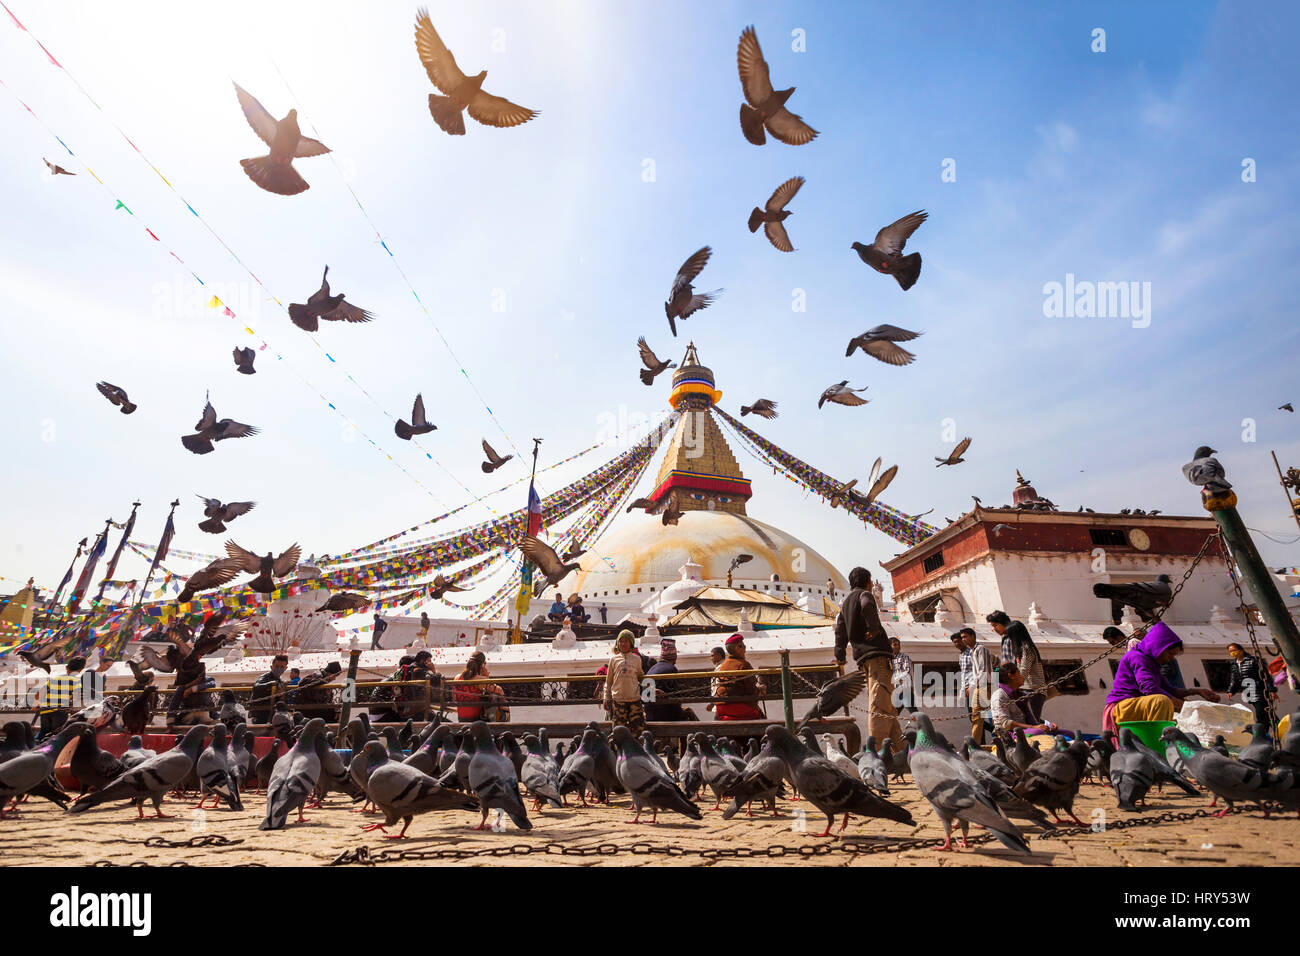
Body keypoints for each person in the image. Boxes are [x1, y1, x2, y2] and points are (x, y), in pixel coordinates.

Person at [1103, 621, 1220, 733]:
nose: (1171, 658)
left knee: (1176, 703)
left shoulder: (1152, 663)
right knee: (1162, 701)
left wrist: (1198, 692)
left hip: (1138, 705)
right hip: (1121, 707)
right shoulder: (1137, 657)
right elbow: (1150, 689)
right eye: (1170, 654)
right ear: (1157, 647)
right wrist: (1186, 707)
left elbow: (1171, 690)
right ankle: (1154, 741)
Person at [833, 566, 903, 746]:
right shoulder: (864, 595)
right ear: (867, 581)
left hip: (864, 659)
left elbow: (840, 630)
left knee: (886, 706)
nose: (872, 584)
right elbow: (866, 605)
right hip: (877, 657)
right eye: (871, 580)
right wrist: (873, 628)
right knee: (879, 705)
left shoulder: (846, 603)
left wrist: (839, 655)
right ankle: (877, 752)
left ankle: (901, 753)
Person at [987, 610, 1049, 723]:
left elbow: (1022, 671)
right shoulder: (1020, 649)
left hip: (1032, 689)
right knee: (1027, 721)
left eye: (995, 625)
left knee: (1032, 722)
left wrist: (1010, 685)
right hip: (1023, 689)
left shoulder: (1027, 649)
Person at [990, 662, 1060, 736]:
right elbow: (1006, 723)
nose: (1021, 676)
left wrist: (1047, 726)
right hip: (1009, 734)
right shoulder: (999, 695)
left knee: (1067, 733)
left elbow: (1033, 721)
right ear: (1011, 676)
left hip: (1027, 729)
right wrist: (1033, 727)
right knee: (1038, 732)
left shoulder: (1022, 695)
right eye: (1019, 673)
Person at [714, 633, 766, 721]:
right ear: (737, 648)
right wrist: (760, 690)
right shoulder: (743, 664)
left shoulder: (724, 665)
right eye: (743, 646)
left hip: (721, 709)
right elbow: (751, 689)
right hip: (737, 708)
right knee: (760, 716)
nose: (745, 650)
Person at [603, 630, 646, 733]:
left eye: (626, 641)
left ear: (631, 643)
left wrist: (651, 691)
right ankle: (618, 749)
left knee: (638, 730)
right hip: (618, 701)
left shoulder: (637, 659)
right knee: (618, 732)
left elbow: (641, 677)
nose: (623, 644)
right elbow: (608, 681)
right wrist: (606, 697)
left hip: (634, 700)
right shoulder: (613, 660)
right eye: (621, 641)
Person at [953, 627, 991, 744]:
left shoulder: (980, 649)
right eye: (962, 637)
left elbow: (982, 670)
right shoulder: (971, 651)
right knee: (976, 718)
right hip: (972, 687)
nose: (962, 640)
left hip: (982, 686)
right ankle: (981, 744)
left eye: (965, 637)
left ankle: (979, 743)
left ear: (973, 636)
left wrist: (972, 686)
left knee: (977, 717)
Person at [644, 637, 695, 722]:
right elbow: (678, 695)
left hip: (650, 714)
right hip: (666, 716)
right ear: (674, 657)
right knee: (689, 712)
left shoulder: (652, 669)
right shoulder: (671, 669)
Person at [1227, 642, 1276, 727]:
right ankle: (1277, 726)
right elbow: (1234, 679)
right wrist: (1231, 690)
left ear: (1241, 650)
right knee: (1266, 713)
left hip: (1259, 690)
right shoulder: (1234, 664)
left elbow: (1266, 676)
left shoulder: (1253, 660)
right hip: (1248, 691)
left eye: (1234, 650)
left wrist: (1271, 689)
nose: (1232, 653)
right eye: (1230, 651)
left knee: (1261, 713)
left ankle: (1262, 733)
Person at [36, 656, 85, 739]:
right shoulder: (76, 681)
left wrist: (36, 704)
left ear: (66, 667)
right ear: (81, 669)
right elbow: (76, 698)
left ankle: (34, 747)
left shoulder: (55, 678)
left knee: (43, 731)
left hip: (45, 710)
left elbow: (38, 694)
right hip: (60, 712)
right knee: (58, 735)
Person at [454, 651, 505, 721]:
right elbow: (500, 691)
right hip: (477, 719)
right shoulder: (480, 680)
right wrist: (486, 676)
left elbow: (454, 698)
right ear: (482, 665)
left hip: (461, 718)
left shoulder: (457, 677)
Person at [249, 654, 288, 724]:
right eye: (276, 666)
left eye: (282, 667)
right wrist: (270, 684)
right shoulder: (264, 677)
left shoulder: (280, 682)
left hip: (272, 715)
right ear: (271, 667)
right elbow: (256, 687)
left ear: (285, 668)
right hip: (260, 714)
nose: (279, 669)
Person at [889, 637, 914, 710]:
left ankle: (919, 721)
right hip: (894, 691)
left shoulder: (904, 657)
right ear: (889, 646)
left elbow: (907, 671)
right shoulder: (888, 659)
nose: (897, 646)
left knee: (912, 711)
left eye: (898, 645)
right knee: (893, 713)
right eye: (894, 644)